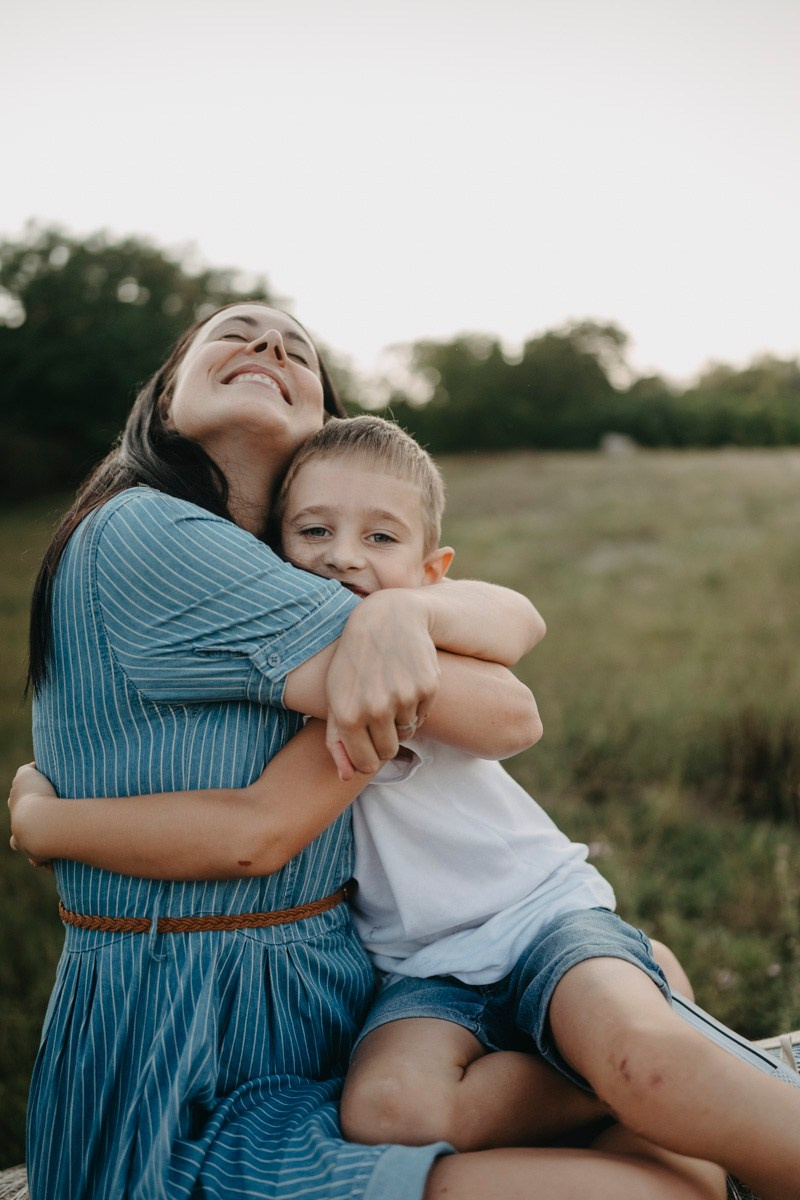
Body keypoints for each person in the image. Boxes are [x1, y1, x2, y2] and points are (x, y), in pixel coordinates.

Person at [12, 414, 800, 1200]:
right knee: (392, 1113)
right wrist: (49, 822)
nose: (344, 556)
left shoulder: (396, 659)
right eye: (313, 529)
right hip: (419, 969)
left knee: (647, 1066)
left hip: (539, 920)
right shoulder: (298, 669)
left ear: (432, 569)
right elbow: (252, 818)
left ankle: (652, 1067)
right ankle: (636, 1074)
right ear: (270, 555)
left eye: (380, 539)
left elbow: (520, 622)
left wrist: (403, 612)